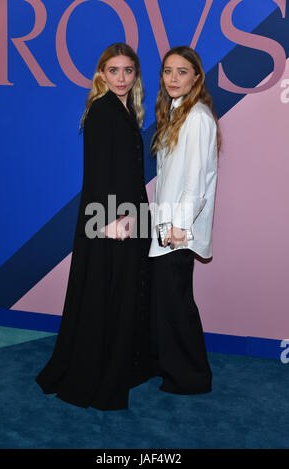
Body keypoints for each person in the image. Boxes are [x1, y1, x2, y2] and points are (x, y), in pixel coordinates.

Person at [35, 43, 155, 410]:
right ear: (101, 74)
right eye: (113, 70)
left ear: (135, 75)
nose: (121, 78)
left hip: (124, 214)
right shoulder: (103, 110)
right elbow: (100, 172)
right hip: (113, 219)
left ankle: (117, 364)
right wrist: (112, 221)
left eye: (128, 71)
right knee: (109, 293)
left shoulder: (123, 109)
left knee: (117, 293)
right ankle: (101, 373)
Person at [148, 46, 220, 395]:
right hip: (166, 225)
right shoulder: (177, 113)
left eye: (181, 71)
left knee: (176, 303)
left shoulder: (198, 118)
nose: (173, 78)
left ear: (196, 77)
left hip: (176, 230)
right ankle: (174, 370)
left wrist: (177, 228)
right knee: (171, 301)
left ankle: (190, 377)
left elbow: (195, 181)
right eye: (167, 71)